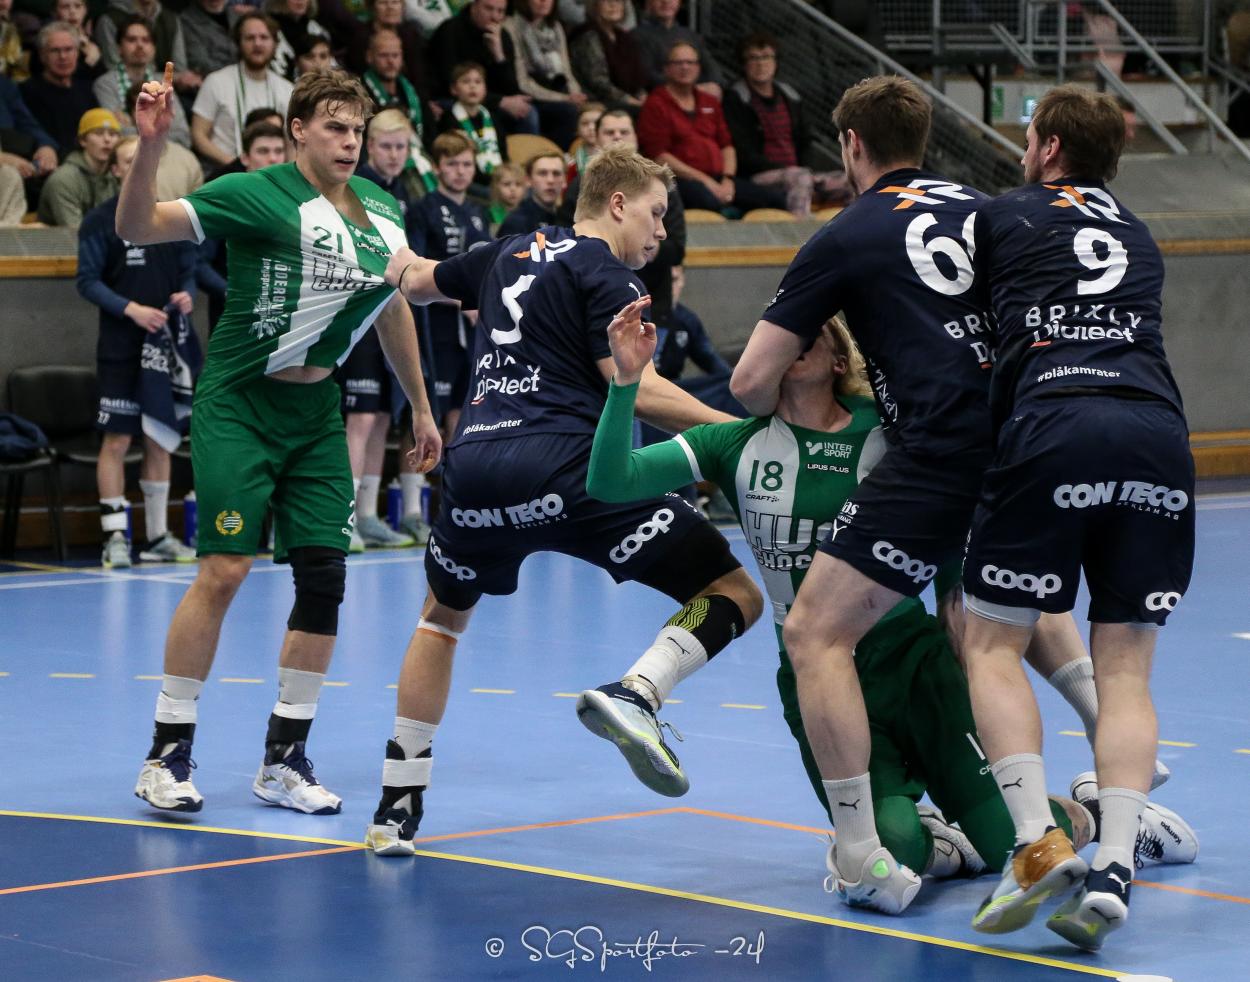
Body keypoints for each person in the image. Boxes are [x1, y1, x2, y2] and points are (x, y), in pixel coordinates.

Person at [588, 312, 1199, 908]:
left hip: (913, 663)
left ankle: (1101, 813)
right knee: (896, 846)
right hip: (815, 674)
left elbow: (955, 529)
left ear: (839, 359)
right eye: (778, 336)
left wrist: (963, 640)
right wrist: (624, 384)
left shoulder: (888, 434)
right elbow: (610, 481)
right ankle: (938, 845)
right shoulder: (732, 442)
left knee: (1005, 840)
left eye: (811, 331)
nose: (791, 340)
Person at [365, 144, 764, 855]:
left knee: (441, 621)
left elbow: (415, 279)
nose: (660, 231)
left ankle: (396, 806)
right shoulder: (606, 272)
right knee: (735, 592)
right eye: (656, 213)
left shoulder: (503, 251)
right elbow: (640, 389)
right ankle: (638, 693)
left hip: (473, 472)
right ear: (617, 203)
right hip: (567, 474)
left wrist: (374, 243)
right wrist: (740, 434)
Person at [119, 65, 441, 815]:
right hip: (239, 404)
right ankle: (165, 754)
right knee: (226, 569)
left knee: (325, 578)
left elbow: (392, 303)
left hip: (315, 413)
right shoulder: (255, 193)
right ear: (298, 130)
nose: (349, 142)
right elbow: (138, 227)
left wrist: (422, 408)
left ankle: (284, 759)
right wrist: (151, 145)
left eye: (357, 129)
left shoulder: (382, 209)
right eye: (334, 127)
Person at [729, 76, 996, 913]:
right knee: (1012, 630)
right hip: (1018, 444)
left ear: (850, 145)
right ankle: (1113, 801)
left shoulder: (847, 234)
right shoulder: (987, 213)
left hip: (930, 467)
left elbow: (747, 383)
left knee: (813, 630)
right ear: (925, 138)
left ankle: (860, 846)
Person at [962, 85, 1194, 950]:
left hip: (1055, 422)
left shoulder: (1005, 214)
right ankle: (1118, 865)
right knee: (1126, 670)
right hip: (1157, 434)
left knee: (992, 642)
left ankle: (1035, 842)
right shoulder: (1137, 232)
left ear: (1050, 147)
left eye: (1030, 137)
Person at [77, 135, 200, 568]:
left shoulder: (172, 217)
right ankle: (115, 536)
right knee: (117, 439)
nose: (136, 166)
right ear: (115, 170)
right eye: (127, 161)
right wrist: (131, 310)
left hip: (163, 349)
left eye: (142, 160)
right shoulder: (100, 221)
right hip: (121, 348)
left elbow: (188, 273)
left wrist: (185, 295)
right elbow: (87, 281)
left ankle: (158, 536)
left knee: (159, 437)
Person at [405, 129, 489, 443]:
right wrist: (460, 301)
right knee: (428, 411)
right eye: (452, 164)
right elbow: (413, 268)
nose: (460, 171)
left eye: (467, 164)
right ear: (437, 167)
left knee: (463, 409)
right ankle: (418, 476)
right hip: (435, 320)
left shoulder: (478, 211)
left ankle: (455, 473)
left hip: (473, 325)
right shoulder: (423, 208)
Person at [637, 42, 785, 215]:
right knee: (707, 201)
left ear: (698, 68)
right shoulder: (655, 104)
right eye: (678, 63)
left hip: (719, 178)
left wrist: (728, 179)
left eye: (690, 62)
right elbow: (659, 156)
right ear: (666, 69)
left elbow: (727, 146)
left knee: (776, 201)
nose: (685, 67)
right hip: (680, 179)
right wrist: (705, 181)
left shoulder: (709, 101)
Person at [722, 32, 849, 219]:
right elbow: (743, 153)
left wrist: (804, 169)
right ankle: (801, 232)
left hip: (798, 173)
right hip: (758, 176)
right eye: (753, 58)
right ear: (743, 64)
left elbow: (806, 140)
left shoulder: (790, 95)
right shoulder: (736, 97)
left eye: (766, 57)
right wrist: (790, 170)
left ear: (776, 62)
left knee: (849, 181)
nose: (761, 64)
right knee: (799, 178)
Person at [191, 13, 294, 166]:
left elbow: (292, 143)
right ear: (238, 42)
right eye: (250, 38)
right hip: (226, 171)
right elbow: (198, 135)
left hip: (273, 173)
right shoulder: (216, 81)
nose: (257, 43)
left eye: (264, 37)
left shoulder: (287, 89)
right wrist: (237, 165)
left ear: (275, 44)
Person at [429, 0, 538, 136]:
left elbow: (511, 89)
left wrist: (498, 54)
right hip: (451, 98)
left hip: (489, 99)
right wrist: (500, 102)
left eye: (500, 11)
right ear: (474, 6)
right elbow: (450, 84)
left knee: (527, 111)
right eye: (489, 9)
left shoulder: (502, 36)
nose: (494, 16)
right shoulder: (450, 31)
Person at [95, 16, 192, 149]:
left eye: (146, 40)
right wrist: (161, 131)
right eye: (132, 39)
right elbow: (113, 134)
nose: (140, 45)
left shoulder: (165, 83)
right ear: (119, 47)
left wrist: (131, 126)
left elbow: (183, 136)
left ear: (154, 48)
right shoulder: (105, 84)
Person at [359, 28, 437, 189]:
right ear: (369, 57)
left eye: (395, 55)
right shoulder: (360, 92)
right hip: (383, 165)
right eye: (384, 55)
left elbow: (430, 133)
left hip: (420, 160)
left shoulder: (412, 90)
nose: (391, 62)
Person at [504, 0, 583, 148]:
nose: (544, 2)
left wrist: (575, 92)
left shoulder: (555, 26)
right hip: (529, 93)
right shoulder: (511, 26)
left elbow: (566, 68)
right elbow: (522, 81)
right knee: (567, 111)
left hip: (557, 88)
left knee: (588, 109)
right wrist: (565, 98)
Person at [19, 22, 100, 159]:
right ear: (42, 55)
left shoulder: (86, 89)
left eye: (68, 49)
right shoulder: (27, 91)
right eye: (55, 51)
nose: (63, 56)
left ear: (77, 53)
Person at [37, 107, 120, 226]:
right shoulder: (64, 180)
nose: (107, 139)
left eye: (112, 134)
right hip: (63, 237)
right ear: (83, 141)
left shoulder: (114, 175)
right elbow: (74, 231)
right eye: (98, 133)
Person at [435, 61, 504, 195]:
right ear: (454, 89)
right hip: (469, 181)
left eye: (478, 82)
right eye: (466, 82)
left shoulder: (492, 117)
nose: (473, 86)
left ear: (485, 88)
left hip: (497, 178)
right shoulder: (448, 120)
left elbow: (503, 152)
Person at [567, 0, 646, 110]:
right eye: (606, 1)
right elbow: (597, 81)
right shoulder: (588, 35)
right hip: (595, 101)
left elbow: (636, 76)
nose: (613, 5)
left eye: (618, 1)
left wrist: (641, 95)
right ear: (595, 6)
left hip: (623, 100)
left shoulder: (623, 37)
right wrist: (628, 100)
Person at [632, 0, 719, 97]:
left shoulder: (691, 35)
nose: (666, 1)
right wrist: (689, 88)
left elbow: (711, 67)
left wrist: (714, 84)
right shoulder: (637, 36)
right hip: (661, 96)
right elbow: (647, 75)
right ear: (648, 2)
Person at [494, 148, 562, 236]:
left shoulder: (570, 218)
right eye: (542, 173)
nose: (550, 180)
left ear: (565, 180)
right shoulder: (516, 222)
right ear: (528, 180)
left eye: (556, 173)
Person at [486, 158, 523, 225]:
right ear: (496, 187)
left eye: (518, 184)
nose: (513, 189)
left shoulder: (529, 212)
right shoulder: (489, 215)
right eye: (507, 184)